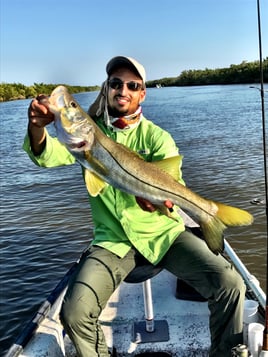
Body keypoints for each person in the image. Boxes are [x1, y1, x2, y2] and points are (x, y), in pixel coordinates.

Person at [24, 56, 246, 357]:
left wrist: (160, 205)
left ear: (142, 93)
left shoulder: (157, 137)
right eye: (116, 83)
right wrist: (37, 128)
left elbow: (171, 191)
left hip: (163, 235)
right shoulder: (87, 138)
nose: (123, 90)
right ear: (107, 89)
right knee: (74, 313)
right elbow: (46, 155)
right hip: (112, 242)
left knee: (230, 284)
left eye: (132, 85)